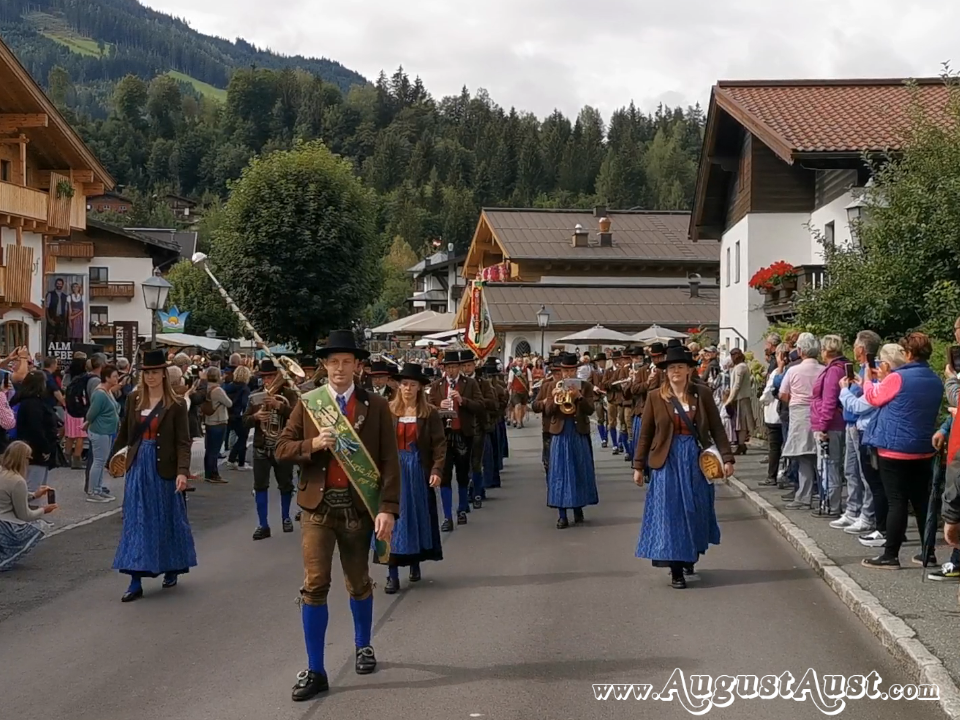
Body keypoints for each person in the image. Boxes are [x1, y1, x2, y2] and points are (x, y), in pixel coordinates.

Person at [275, 330, 400, 701]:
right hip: (318, 507)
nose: (340, 368)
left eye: (347, 361)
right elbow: (281, 447)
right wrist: (311, 445)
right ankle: (316, 669)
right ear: (325, 366)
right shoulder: (308, 403)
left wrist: (388, 509)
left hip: (359, 507)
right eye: (334, 362)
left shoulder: (375, 406)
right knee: (314, 585)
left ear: (357, 366)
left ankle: (363, 645)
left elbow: (389, 462)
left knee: (359, 582)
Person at [633, 345, 735, 588]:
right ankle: (676, 568)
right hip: (666, 461)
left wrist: (728, 458)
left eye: (680, 367)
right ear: (665, 372)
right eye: (671, 368)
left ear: (690, 369)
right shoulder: (656, 396)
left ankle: (690, 553)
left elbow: (717, 429)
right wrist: (638, 466)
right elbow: (645, 435)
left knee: (695, 508)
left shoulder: (702, 394)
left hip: (695, 460)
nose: (675, 371)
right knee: (671, 512)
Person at [111, 349, 196, 602]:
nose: (150, 377)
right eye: (147, 373)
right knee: (136, 519)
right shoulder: (133, 399)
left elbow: (183, 442)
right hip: (138, 465)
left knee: (167, 518)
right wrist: (114, 460)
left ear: (163, 375)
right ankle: (135, 580)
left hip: (164, 468)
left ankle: (171, 566)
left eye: (155, 372)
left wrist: (182, 472)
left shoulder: (177, 404)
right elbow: (125, 433)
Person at [860, 333, 943, 569]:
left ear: (908, 354)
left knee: (896, 501)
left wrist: (868, 380)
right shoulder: (935, 379)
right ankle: (928, 553)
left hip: (894, 449)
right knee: (921, 501)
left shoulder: (897, 378)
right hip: (923, 448)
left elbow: (874, 398)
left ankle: (890, 555)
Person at [380, 362, 445, 594]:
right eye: (404, 384)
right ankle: (392, 573)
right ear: (398, 386)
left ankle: (415, 562)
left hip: (417, 469)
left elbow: (439, 444)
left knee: (415, 518)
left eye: (412, 384)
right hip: (393, 471)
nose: (407, 388)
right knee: (392, 521)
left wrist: (436, 470)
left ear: (420, 388)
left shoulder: (429, 413)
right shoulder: (388, 411)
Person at [426, 349, 484, 529]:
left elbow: (480, 406)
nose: (451, 371)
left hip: (462, 434)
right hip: (443, 436)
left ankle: (461, 510)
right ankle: (447, 517)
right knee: (444, 475)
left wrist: (463, 400)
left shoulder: (470, 383)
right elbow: (425, 408)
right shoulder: (436, 385)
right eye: (448, 367)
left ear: (459, 367)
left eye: (454, 367)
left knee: (462, 473)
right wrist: (437, 406)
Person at [542, 353, 598, 528]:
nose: (568, 374)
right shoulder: (552, 385)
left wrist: (579, 397)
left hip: (578, 431)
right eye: (565, 371)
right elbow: (547, 411)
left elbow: (590, 410)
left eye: (572, 370)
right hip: (560, 433)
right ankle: (562, 515)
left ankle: (578, 508)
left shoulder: (586, 386)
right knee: (559, 473)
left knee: (578, 471)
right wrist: (553, 398)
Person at [245, 360, 298, 539]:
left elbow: (298, 417)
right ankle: (263, 524)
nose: (268, 380)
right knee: (260, 486)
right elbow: (242, 422)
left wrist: (279, 406)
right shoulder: (255, 396)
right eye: (265, 377)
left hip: (282, 446)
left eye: (271, 376)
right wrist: (255, 417)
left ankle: (286, 517)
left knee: (286, 485)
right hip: (261, 447)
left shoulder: (289, 394)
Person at [0, 441, 58, 571]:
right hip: (4, 525)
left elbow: (8, 494)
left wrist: (34, 495)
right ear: (23, 459)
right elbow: (25, 515)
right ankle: (6, 558)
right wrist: (43, 510)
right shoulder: (17, 480)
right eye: (28, 457)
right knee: (40, 526)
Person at [12, 370, 58, 492]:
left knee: (31, 482)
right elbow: (36, 428)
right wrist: (45, 448)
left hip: (26, 446)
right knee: (34, 486)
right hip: (35, 451)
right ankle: (30, 509)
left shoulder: (21, 399)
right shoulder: (34, 404)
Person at [85, 364, 121, 502]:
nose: (117, 378)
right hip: (100, 431)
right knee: (99, 461)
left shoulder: (108, 391)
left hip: (107, 430)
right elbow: (91, 413)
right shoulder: (100, 393)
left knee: (102, 460)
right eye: (114, 376)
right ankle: (93, 490)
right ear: (107, 378)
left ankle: (98, 488)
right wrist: (88, 423)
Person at [201, 367, 232, 484]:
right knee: (215, 450)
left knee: (209, 449)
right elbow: (229, 403)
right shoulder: (218, 390)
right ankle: (213, 474)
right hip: (218, 421)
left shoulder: (205, 387)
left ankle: (208, 473)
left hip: (209, 421)